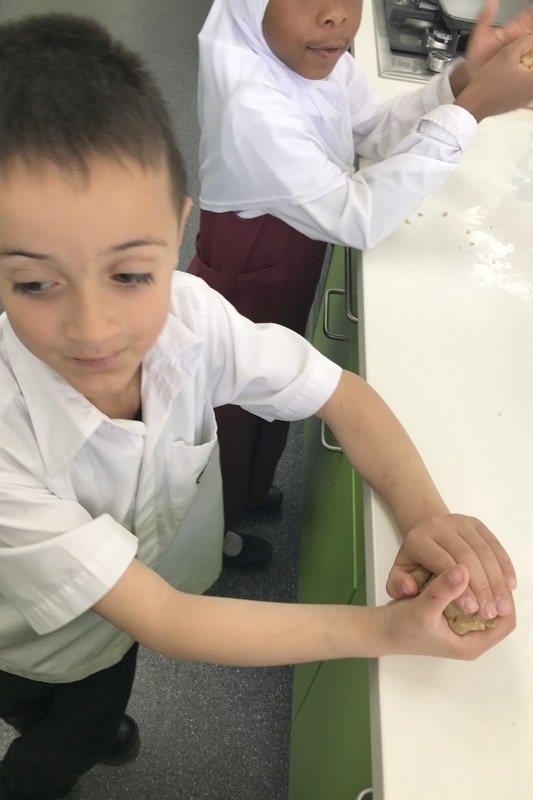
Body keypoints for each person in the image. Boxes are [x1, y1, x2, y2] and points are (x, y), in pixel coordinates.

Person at [0, 13, 517, 800]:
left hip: (121, 607)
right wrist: (381, 633)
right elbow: (167, 618)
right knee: (56, 728)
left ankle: (91, 729)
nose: (95, 329)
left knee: (106, 684)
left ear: (179, 226)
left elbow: (343, 394)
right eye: (35, 284)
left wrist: (423, 513)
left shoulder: (193, 316)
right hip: (34, 644)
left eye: (131, 274)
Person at [187, 0, 533, 567]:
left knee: (267, 397)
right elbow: (359, 217)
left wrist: (464, 80)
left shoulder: (311, 55)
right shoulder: (250, 102)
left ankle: (245, 494)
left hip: (289, 259)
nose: (336, 17)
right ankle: (208, 542)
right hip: (246, 273)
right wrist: (468, 111)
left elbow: (369, 133)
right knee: (226, 410)